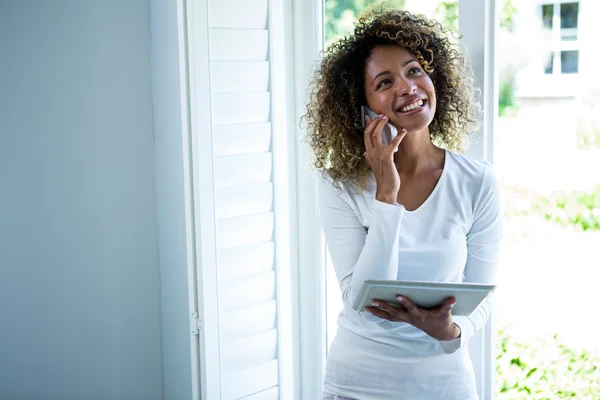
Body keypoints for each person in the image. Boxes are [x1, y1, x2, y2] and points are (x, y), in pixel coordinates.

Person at [303, 7, 504, 400]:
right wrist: (386, 194)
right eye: (384, 81)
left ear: (434, 78)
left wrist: (450, 331)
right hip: (357, 385)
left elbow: (483, 291)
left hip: (444, 384)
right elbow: (360, 298)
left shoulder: (477, 181)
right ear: (360, 108)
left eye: (414, 70)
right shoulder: (338, 185)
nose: (407, 87)